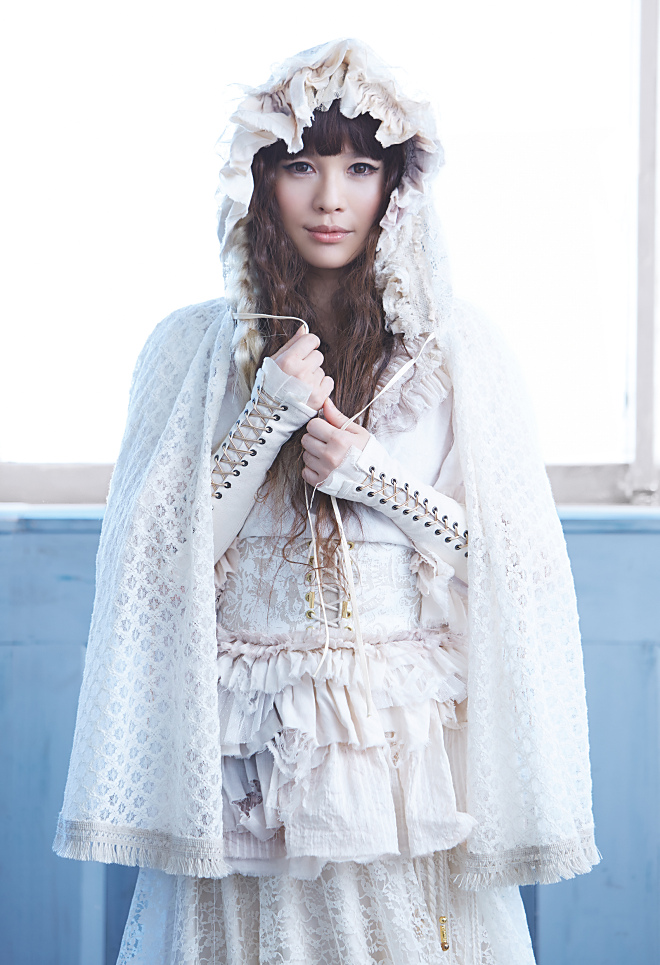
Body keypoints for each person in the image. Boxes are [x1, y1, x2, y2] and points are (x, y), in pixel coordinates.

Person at [54, 39, 599, 965]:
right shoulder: (190, 351)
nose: (331, 198)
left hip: (397, 764)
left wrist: (372, 475)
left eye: (360, 167)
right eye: (302, 166)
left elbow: (511, 563)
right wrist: (265, 415)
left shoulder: (457, 351)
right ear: (261, 179)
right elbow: (158, 564)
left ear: (397, 186)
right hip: (249, 759)